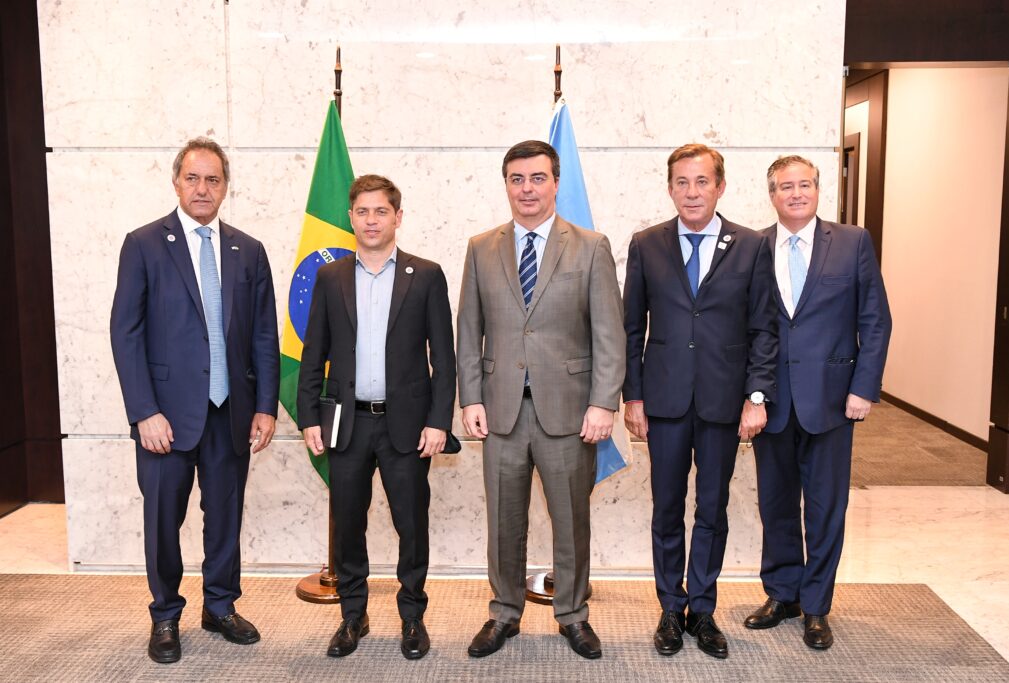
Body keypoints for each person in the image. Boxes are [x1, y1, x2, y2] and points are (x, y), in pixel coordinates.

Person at [110, 137, 279, 664]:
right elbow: (125, 333)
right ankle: (165, 614)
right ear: (176, 182)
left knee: (225, 516)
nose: (202, 188)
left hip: (231, 413)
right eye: (193, 178)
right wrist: (144, 412)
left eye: (213, 179)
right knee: (164, 521)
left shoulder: (249, 250)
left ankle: (220, 606)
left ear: (225, 187)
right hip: (164, 418)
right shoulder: (143, 244)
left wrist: (266, 406)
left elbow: (264, 336)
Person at [457, 140, 625, 660]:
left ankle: (572, 614)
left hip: (571, 412)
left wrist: (604, 403)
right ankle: (504, 613)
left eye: (537, 178)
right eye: (517, 179)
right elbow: (468, 331)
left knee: (571, 521)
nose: (526, 189)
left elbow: (609, 333)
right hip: (500, 411)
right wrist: (470, 398)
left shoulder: (590, 246)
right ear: (506, 185)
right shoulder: (481, 248)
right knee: (503, 521)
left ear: (555, 183)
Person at [622, 143, 777, 660]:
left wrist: (756, 397)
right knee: (666, 508)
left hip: (723, 402)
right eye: (682, 182)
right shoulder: (646, 244)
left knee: (712, 508)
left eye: (702, 181)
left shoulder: (752, 246)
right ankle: (671, 607)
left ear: (720, 186)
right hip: (663, 401)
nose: (692, 192)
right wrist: (633, 396)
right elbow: (631, 327)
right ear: (670, 188)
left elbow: (763, 328)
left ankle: (703, 609)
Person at [296, 174, 456, 661]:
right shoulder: (330, 278)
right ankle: (353, 615)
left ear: (397, 217)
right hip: (347, 424)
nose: (371, 220)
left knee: (412, 524)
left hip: (407, 426)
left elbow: (444, 358)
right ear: (351, 218)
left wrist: (439, 422)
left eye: (381, 211)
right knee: (348, 524)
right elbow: (313, 353)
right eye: (363, 211)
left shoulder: (425, 275)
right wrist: (308, 417)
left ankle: (412, 616)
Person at [745, 155, 891, 650]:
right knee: (776, 504)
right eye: (786, 187)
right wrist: (750, 395)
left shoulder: (852, 242)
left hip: (832, 402)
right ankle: (782, 593)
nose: (796, 194)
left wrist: (863, 388)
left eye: (804, 184)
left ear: (818, 189)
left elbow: (875, 320)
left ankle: (816, 606)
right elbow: (749, 327)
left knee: (827, 507)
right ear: (772, 195)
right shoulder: (754, 247)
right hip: (771, 402)